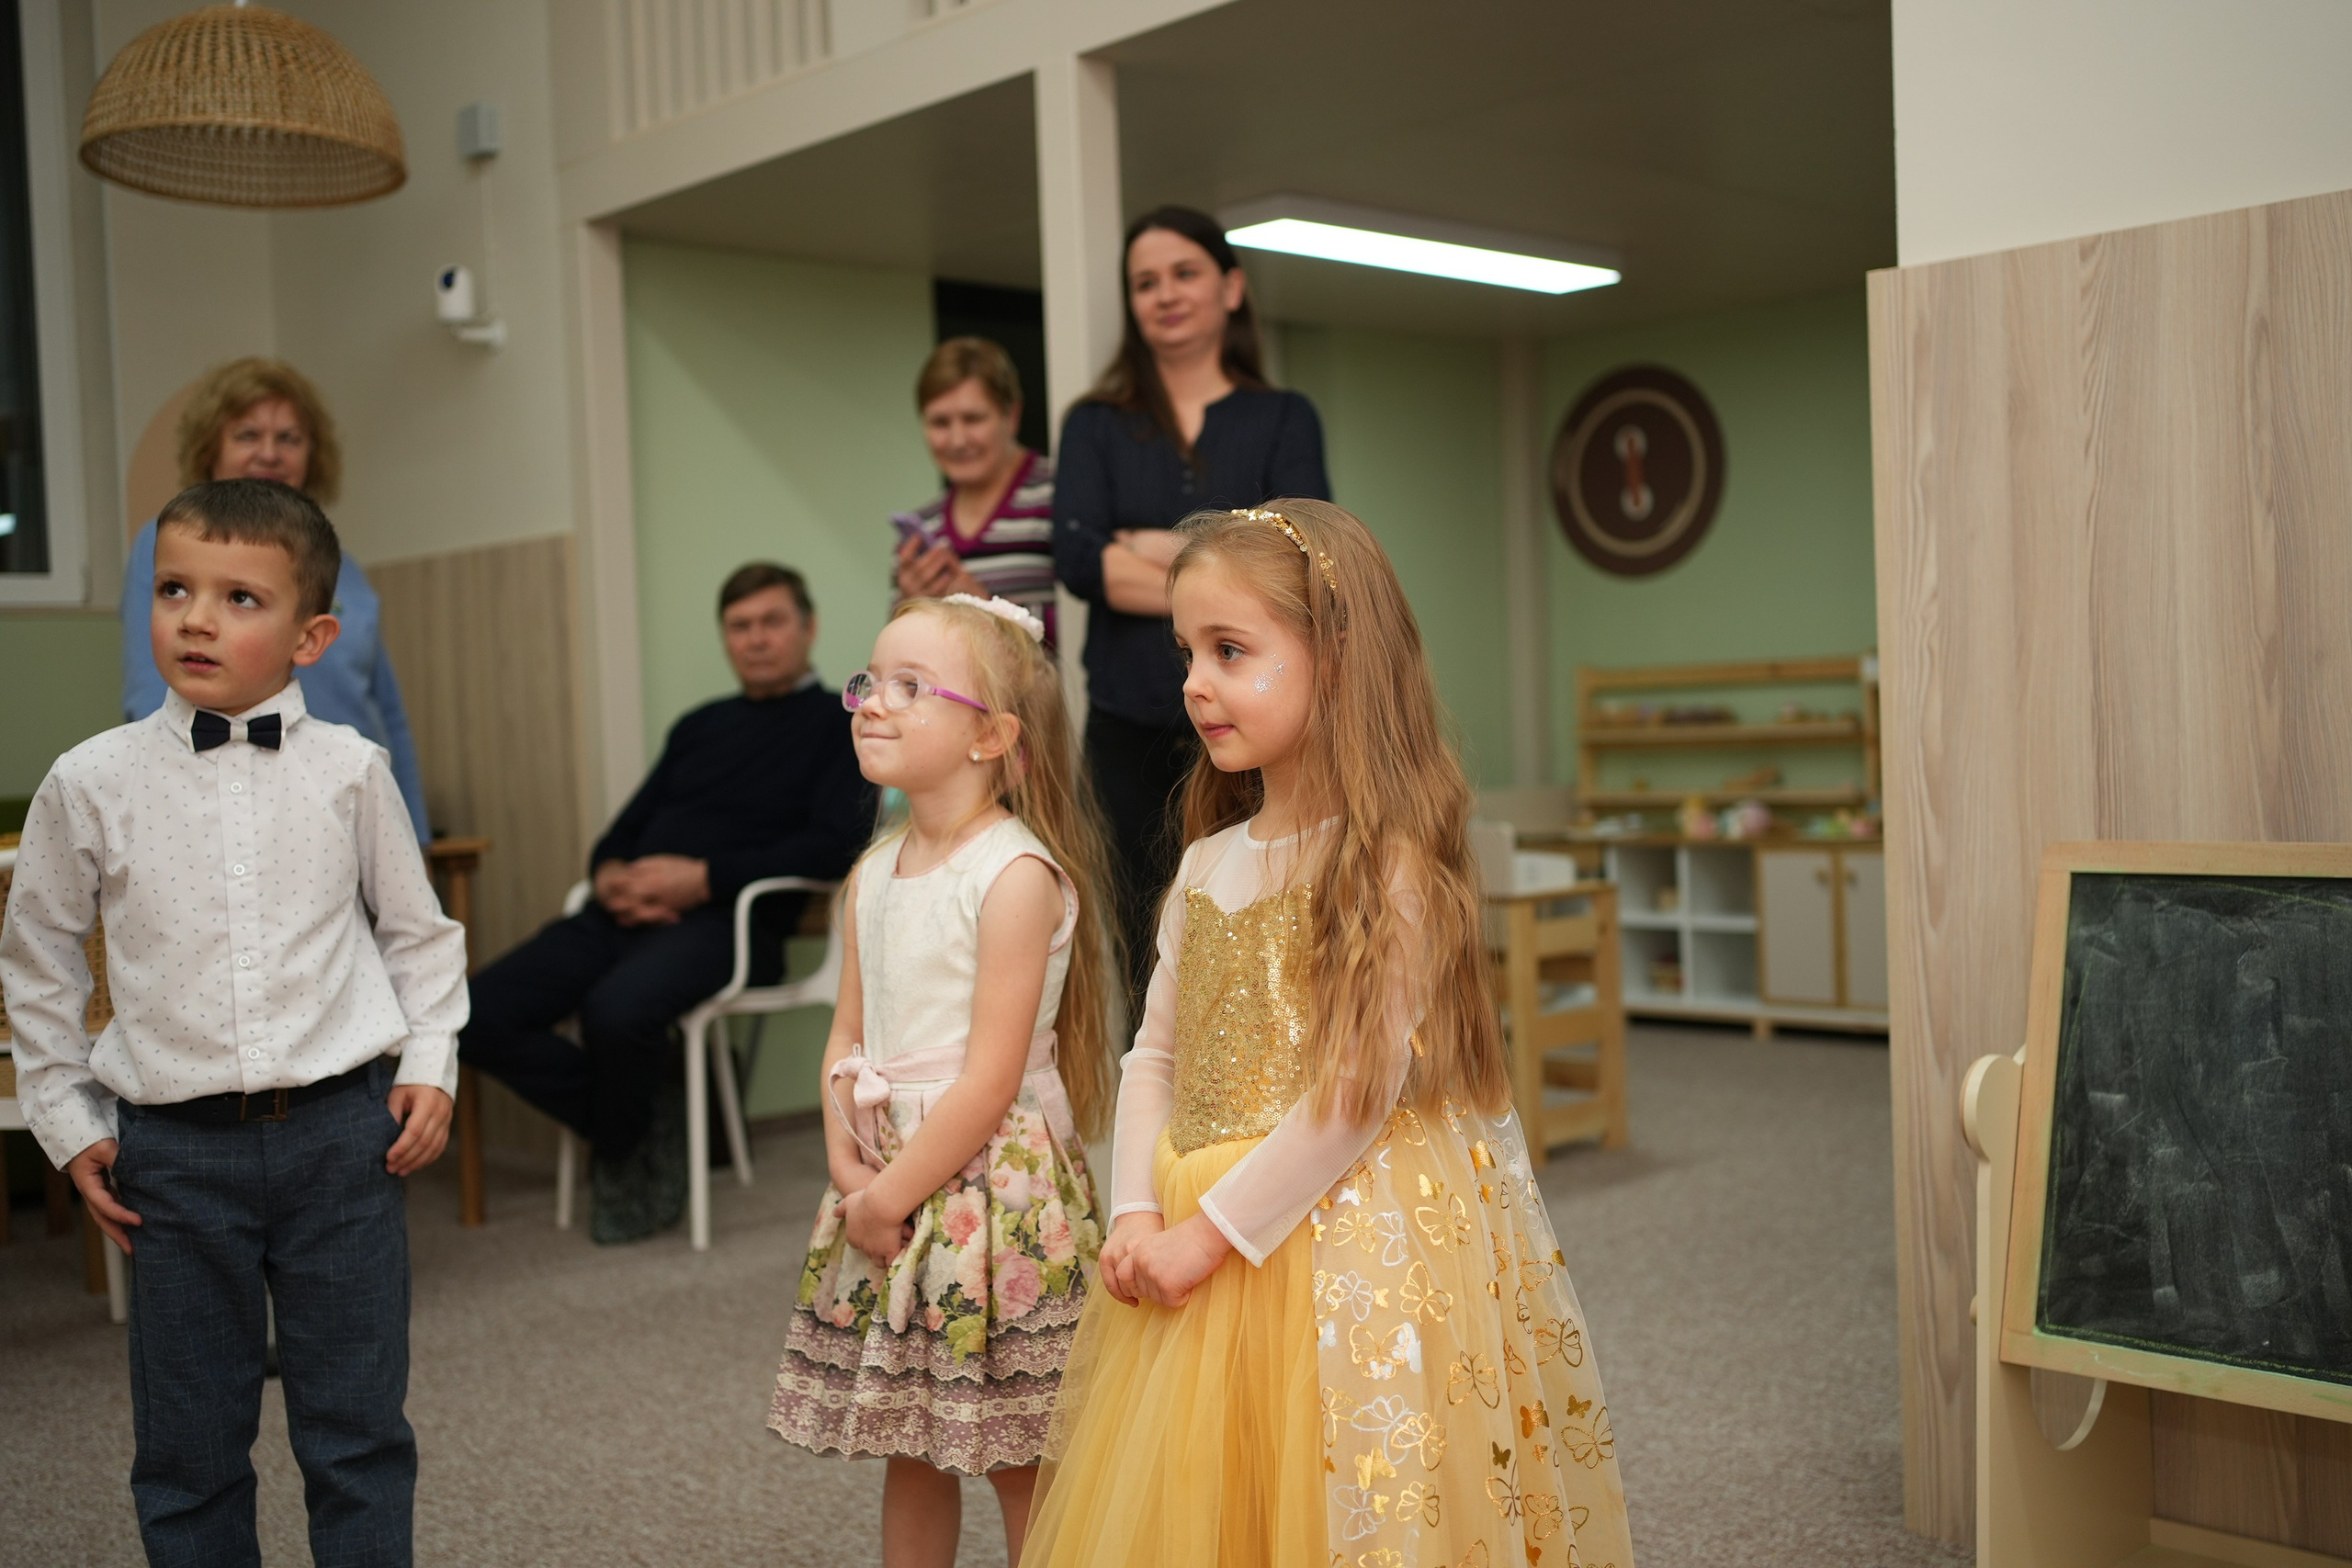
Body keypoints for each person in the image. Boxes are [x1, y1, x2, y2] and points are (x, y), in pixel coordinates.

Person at [1020, 504, 1634, 1567]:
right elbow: (1151, 1056)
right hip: (1185, 1227)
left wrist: (1206, 1234)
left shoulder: (1389, 860)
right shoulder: (1207, 865)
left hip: (1338, 1236)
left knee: (1341, 1490)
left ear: (1338, 658)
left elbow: (1355, 1094)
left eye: (1230, 651)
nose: (1193, 683)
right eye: (1185, 653)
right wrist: (1130, 1210)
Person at [0, 479, 469, 1566]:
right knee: (188, 1446)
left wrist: (432, 1060)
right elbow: (38, 960)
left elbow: (417, 934)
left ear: (313, 636)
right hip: (171, 1157)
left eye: (238, 598)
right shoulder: (89, 782)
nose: (197, 618)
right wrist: (68, 1122)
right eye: (174, 589)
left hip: (341, 1146)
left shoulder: (354, 773)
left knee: (356, 1433)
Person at [767, 593, 1115, 1568]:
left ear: (992, 735)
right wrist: (849, 1169)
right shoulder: (872, 873)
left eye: (911, 688)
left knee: (1017, 1449)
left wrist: (887, 1192)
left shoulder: (1013, 874)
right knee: (909, 1440)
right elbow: (848, 1031)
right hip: (885, 1181)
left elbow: (990, 1077)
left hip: (990, 1191)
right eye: (869, 681)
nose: (873, 704)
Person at [458, 563, 874, 1244]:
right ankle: (643, 1112)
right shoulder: (700, 725)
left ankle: (627, 1135)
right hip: (620, 915)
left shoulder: (840, 723)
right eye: (740, 626)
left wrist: (705, 878)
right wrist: (610, 874)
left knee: (614, 1013)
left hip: (727, 924)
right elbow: (622, 829)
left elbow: (837, 844)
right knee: (473, 1014)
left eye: (772, 621)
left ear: (809, 627)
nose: (756, 639)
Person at [1051, 205, 1329, 1007]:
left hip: (1262, 729)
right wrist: (1221, 561)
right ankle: (1158, 1128)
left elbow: (1297, 555)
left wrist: (1142, 547)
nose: (1164, 295)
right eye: (1145, 282)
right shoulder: (1096, 424)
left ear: (1231, 288)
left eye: (1184, 274)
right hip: (1126, 728)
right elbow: (1078, 558)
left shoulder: (1283, 417)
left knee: (1270, 929)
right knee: (1144, 942)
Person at [119, 357, 431, 840]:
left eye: (289, 438)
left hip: (355, 806)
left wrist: (415, 836)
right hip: (235, 811)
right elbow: (147, 693)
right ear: (210, 450)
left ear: (313, 456)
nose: (270, 454)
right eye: (247, 435)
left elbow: (388, 713)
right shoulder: (163, 548)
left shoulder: (345, 571)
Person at [891, 338, 1059, 647]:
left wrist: (983, 608)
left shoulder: (1059, 493)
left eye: (973, 419)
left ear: (1012, 416)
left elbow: (1088, 625)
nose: (957, 440)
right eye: (940, 422)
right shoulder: (921, 528)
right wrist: (907, 606)